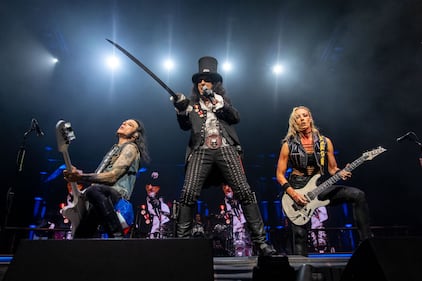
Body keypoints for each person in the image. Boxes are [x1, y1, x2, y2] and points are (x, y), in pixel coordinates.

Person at [171, 56, 276, 256]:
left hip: (226, 147)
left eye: (206, 80)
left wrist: (217, 103)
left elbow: (236, 118)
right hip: (200, 150)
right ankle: (181, 244)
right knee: (187, 193)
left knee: (245, 192)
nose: (202, 82)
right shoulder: (191, 105)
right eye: (199, 80)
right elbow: (185, 126)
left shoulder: (221, 102)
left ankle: (261, 244)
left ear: (215, 84)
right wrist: (180, 109)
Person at [276, 106, 373, 256]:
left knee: (358, 195)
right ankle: (302, 270)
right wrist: (294, 194)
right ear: (294, 122)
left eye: (305, 115)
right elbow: (280, 175)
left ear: (310, 118)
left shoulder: (325, 142)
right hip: (296, 190)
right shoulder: (288, 145)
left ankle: (366, 243)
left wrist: (342, 172)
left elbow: (332, 169)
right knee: (300, 236)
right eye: (298, 117)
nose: (302, 119)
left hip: (319, 188)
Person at [63, 119, 149, 238]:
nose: (124, 124)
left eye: (130, 125)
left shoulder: (131, 148)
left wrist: (81, 177)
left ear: (135, 135)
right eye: (124, 122)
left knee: (93, 191)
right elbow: (99, 175)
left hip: (115, 194)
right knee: (81, 236)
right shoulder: (114, 149)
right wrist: (79, 174)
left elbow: (112, 177)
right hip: (100, 196)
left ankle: (117, 235)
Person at [222, 184, 252, 257]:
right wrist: (226, 213)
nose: (228, 191)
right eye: (226, 190)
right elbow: (229, 209)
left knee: (244, 233)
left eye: (229, 189)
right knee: (237, 232)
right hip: (236, 217)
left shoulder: (238, 196)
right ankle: (239, 251)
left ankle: (248, 250)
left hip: (242, 215)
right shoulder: (227, 199)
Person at [145, 171, 171, 238]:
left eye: (154, 185)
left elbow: (166, 215)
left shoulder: (163, 201)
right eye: (149, 185)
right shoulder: (148, 198)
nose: (150, 188)